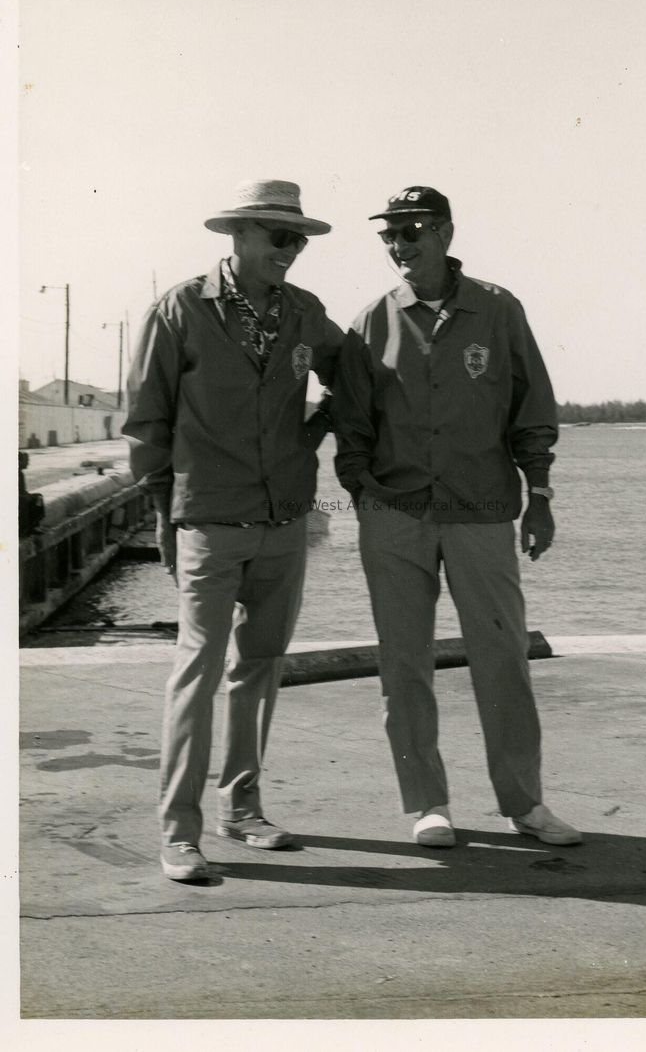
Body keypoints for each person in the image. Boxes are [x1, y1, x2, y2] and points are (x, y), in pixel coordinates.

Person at [333, 185, 581, 849]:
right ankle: (427, 803)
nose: (399, 245)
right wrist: (363, 495)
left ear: (444, 231)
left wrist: (542, 497)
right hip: (395, 516)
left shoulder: (499, 311)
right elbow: (352, 424)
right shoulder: (370, 322)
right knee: (404, 662)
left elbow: (532, 409)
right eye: (388, 235)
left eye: (411, 230)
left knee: (502, 656)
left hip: (483, 512)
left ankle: (524, 803)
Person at [124, 179, 344, 882]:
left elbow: (358, 376)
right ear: (239, 235)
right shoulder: (181, 310)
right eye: (281, 236)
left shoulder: (307, 314)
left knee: (261, 668)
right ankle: (179, 832)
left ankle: (241, 809)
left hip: (286, 523)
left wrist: (313, 433)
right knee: (196, 673)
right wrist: (164, 514)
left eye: (300, 239)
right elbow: (146, 425)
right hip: (209, 522)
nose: (293, 249)